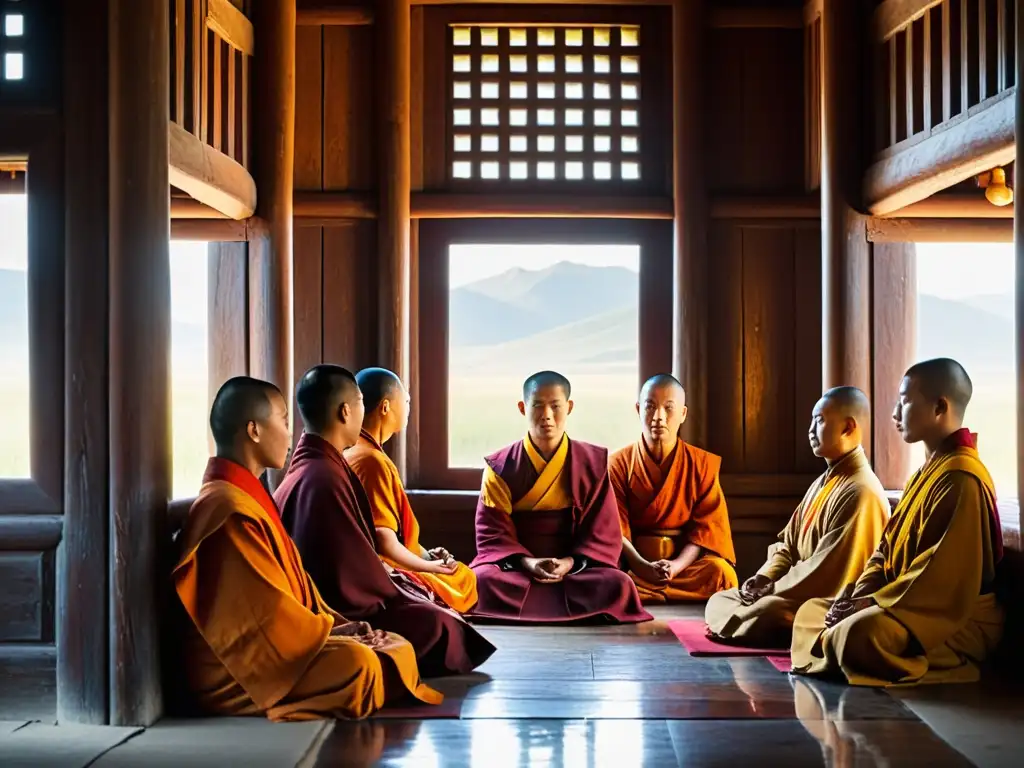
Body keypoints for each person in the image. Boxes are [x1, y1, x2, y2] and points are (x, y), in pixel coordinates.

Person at [172, 376, 441, 721]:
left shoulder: (245, 496)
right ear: (254, 431)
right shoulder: (226, 510)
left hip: (284, 644)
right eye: (284, 421)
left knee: (392, 646)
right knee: (360, 665)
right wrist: (328, 634)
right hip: (240, 670)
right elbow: (262, 616)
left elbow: (288, 589)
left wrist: (335, 625)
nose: (291, 432)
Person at [791, 359, 1004, 685]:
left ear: (939, 407)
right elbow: (885, 550)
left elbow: (939, 578)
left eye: (904, 401)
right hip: (901, 603)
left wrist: (869, 603)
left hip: (950, 619)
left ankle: (954, 661)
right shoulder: (925, 474)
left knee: (859, 635)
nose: (894, 414)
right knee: (812, 614)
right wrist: (856, 596)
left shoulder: (962, 478)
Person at [275, 365, 495, 676]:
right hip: (338, 605)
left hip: (347, 586)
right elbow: (357, 568)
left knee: (433, 606)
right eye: (361, 402)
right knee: (440, 625)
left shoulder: (317, 465)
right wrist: (398, 582)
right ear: (345, 411)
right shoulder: (326, 475)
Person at [705, 386, 889, 647]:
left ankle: (755, 622)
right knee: (721, 599)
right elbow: (789, 545)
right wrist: (766, 575)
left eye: (820, 421)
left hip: (821, 599)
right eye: (811, 421)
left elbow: (826, 572)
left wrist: (773, 590)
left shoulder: (862, 491)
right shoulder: (822, 483)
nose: (811, 431)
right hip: (791, 590)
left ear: (848, 428)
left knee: (767, 613)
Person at [467, 370, 652, 624]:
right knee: (480, 581)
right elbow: (493, 535)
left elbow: (602, 532)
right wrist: (529, 563)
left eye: (555, 406)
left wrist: (569, 563)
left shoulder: (592, 463)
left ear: (569, 407)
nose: (547, 416)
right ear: (522, 408)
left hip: (574, 569)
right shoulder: (501, 467)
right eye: (538, 406)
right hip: (520, 569)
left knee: (619, 584)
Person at [345, 367, 478, 613]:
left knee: (456, 572)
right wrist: (429, 567)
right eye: (405, 400)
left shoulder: (356, 450)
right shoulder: (371, 460)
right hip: (382, 570)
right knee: (463, 578)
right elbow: (384, 541)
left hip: (381, 562)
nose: (409, 406)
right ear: (385, 407)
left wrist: (425, 555)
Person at [608, 374, 738, 603]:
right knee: (607, 579)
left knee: (722, 575)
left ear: (683, 414)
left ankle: (647, 594)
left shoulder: (701, 465)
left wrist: (676, 566)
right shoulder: (618, 463)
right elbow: (614, 529)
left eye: (669, 408)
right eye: (650, 407)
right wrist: (643, 567)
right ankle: (647, 590)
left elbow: (706, 532)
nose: (659, 417)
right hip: (634, 566)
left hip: (683, 568)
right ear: (638, 409)